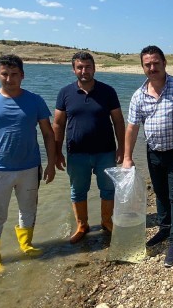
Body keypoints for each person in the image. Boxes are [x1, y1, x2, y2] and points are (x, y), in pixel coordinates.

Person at [0, 54, 56, 275]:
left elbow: (48, 134)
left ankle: (26, 245)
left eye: (14, 74)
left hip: (30, 168)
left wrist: (51, 162)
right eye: (5, 74)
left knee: (28, 209)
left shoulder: (35, 100)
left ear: (22, 75)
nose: (9, 79)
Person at [123, 45, 173, 268]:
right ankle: (165, 228)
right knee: (160, 193)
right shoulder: (139, 96)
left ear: (164, 63)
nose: (152, 68)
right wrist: (127, 157)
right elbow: (132, 128)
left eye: (155, 63)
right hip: (154, 152)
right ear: (142, 67)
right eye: (147, 64)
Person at [53, 51, 125, 244]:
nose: (84, 71)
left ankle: (106, 221)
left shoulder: (108, 91)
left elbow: (118, 121)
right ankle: (82, 225)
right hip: (77, 154)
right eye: (80, 67)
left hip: (106, 151)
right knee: (78, 190)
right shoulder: (65, 93)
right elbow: (58, 124)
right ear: (73, 69)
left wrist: (122, 148)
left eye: (88, 67)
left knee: (108, 189)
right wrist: (56, 151)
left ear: (94, 68)